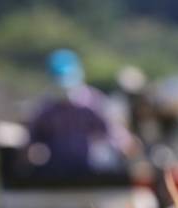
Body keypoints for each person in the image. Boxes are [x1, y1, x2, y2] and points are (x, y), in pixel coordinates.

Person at [24, 49, 135, 186]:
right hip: (56, 173)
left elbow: (114, 132)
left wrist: (124, 146)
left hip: (92, 172)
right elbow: (32, 138)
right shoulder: (45, 108)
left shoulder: (93, 102)